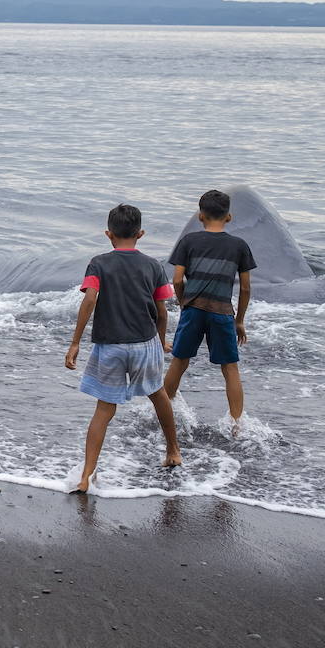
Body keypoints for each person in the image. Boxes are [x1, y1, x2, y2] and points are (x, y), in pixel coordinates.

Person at [64, 204, 182, 493]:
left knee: (103, 410)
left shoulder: (99, 263)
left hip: (110, 346)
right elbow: (162, 310)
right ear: (140, 234)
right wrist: (161, 340)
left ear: (108, 234)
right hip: (145, 343)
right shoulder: (153, 265)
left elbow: (90, 300)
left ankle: (86, 475)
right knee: (159, 395)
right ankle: (173, 451)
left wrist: (75, 341)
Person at [162, 190, 257, 429]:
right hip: (222, 311)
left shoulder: (189, 242)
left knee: (179, 361)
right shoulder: (239, 246)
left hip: (193, 309)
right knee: (230, 368)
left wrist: (185, 304)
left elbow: (176, 280)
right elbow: (245, 288)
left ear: (200, 216)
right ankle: (237, 424)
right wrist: (240, 320)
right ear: (229, 217)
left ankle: (160, 412)